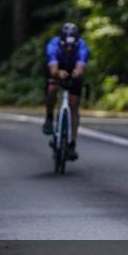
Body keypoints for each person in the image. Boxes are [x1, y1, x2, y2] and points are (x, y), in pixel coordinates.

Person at [42, 22, 89, 160]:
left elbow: (80, 66)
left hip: (73, 70)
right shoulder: (53, 46)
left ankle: (72, 143)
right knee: (52, 88)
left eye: (71, 46)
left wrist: (77, 73)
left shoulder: (82, 47)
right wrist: (58, 73)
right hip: (57, 68)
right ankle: (49, 117)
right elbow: (53, 69)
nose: (69, 49)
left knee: (73, 103)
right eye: (65, 46)